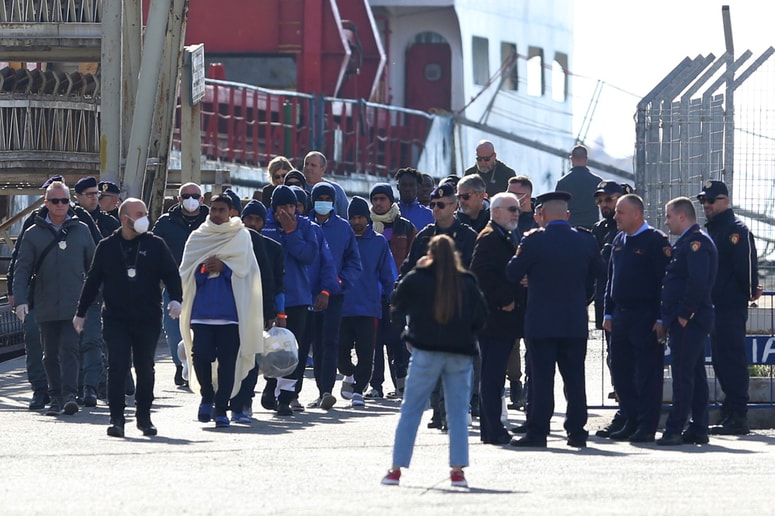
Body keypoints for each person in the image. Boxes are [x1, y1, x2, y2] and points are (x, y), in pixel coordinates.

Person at [382, 235, 487, 488]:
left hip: (425, 352)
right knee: (458, 413)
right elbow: (481, 317)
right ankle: (458, 471)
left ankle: (396, 469)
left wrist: (410, 331)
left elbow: (396, 306)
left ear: (429, 253)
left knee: (411, 410)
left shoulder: (417, 279)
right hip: (460, 354)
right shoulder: (466, 281)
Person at [73, 198, 182, 437]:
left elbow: (172, 274)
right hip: (116, 318)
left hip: (147, 317)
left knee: (145, 368)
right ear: (125, 218)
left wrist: (176, 298)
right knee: (118, 367)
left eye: (145, 212)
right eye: (139, 213)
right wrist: (81, 313)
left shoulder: (156, 245)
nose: (144, 217)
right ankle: (117, 419)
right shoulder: (107, 246)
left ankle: (144, 417)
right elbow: (92, 281)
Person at [506, 191, 603, 448]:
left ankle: (538, 432)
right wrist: (583, 295)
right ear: (567, 215)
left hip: (542, 322)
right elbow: (600, 272)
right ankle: (577, 432)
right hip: (574, 321)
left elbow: (512, 272)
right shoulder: (584, 240)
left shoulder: (534, 241)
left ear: (541, 215)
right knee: (575, 379)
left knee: (542, 379)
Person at [178, 194, 264, 428]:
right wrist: (204, 270)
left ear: (231, 212)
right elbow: (186, 272)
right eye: (213, 209)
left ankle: (220, 408)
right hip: (202, 313)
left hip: (231, 315)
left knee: (229, 364)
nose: (216, 214)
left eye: (221, 210)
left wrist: (225, 268)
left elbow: (247, 272)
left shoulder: (241, 237)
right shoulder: (198, 237)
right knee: (201, 356)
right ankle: (207, 395)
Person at [13, 180, 96, 417]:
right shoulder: (33, 233)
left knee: (70, 349)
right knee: (49, 353)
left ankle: (69, 396)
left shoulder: (81, 230)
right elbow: (22, 269)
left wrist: (99, 296)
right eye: (55, 201)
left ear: (70, 202)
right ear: (46, 203)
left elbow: (94, 266)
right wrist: (20, 300)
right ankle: (55, 396)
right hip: (45, 303)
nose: (60, 205)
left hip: (74, 303)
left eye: (64, 201)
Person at [601, 194, 672, 443]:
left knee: (646, 374)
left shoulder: (655, 241)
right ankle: (630, 420)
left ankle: (646, 425)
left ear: (636, 214)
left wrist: (662, 318)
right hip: (620, 315)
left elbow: (665, 283)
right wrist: (607, 312)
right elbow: (611, 279)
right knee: (621, 372)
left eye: (621, 212)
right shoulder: (619, 240)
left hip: (645, 316)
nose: (616, 216)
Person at [698, 181, 761, 435]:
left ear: (725, 201)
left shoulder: (736, 230)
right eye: (703, 201)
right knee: (722, 360)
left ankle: (738, 415)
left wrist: (747, 293)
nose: (706, 206)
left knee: (732, 359)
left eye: (711, 201)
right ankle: (730, 410)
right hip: (714, 305)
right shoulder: (712, 231)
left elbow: (745, 269)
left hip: (730, 306)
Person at [657, 197, 718, 446]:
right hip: (688, 320)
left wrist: (684, 314)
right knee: (694, 375)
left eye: (669, 216)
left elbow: (697, 282)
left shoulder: (695, 243)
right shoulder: (687, 242)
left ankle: (675, 428)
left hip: (690, 321)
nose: (666, 221)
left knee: (683, 376)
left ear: (682, 216)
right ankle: (699, 427)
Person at [470, 192, 523, 445]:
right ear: (496, 211)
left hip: (501, 320)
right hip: (494, 318)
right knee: (491, 377)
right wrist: (505, 299)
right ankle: (492, 430)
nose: (516, 213)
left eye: (517, 209)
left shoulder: (503, 236)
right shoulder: (490, 237)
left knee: (493, 375)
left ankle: (492, 429)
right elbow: (480, 274)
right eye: (511, 209)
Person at [260, 185, 319, 415]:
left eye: (291, 206)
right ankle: (270, 384)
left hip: (298, 297)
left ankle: (286, 397)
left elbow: (308, 256)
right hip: (270, 297)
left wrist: (291, 232)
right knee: (269, 347)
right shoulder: (265, 226)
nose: (287, 210)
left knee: (294, 350)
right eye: (282, 206)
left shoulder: (305, 227)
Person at [304, 182, 362, 409]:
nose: (324, 203)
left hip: (334, 296)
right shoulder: (304, 225)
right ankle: (306, 392)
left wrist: (338, 283)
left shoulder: (343, 228)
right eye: (320, 198)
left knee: (329, 342)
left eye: (328, 199)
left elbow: (354, 263)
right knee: (312, 344)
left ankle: (326, 389)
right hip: (307, 295)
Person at [339, 197, 396, 407]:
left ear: (367, 218)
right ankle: (348, 374)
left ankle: (358, 391)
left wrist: (392, 299)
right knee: (341, 353)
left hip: (369, 307)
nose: (357, 221)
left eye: (361, 217)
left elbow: (388, 274)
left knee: (366, 352)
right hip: (342, 307)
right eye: (353, 217)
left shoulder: (379, 242)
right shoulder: (343, 240)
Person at [151, 182, 209, 387]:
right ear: (178, 199)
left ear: (202, 199)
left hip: (206, 282)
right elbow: (153, 248)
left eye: (195, 195)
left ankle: (200, 366)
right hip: (175, 282)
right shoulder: (166, 222)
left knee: (202, 326)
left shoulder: (211, 221)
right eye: (186, 195)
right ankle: (180, 365)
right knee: (173, 326)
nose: (190, 199)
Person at [367, 182, 416, 399]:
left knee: (397, 341)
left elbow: (414, 259)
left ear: (390, 201)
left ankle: (402, 385)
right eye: (375, 199)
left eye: (382, 199)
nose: (378, 203)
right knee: (374, 342)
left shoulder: (405, 227)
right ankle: (375, 385)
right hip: (370, 294)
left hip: (397, 293)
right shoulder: (364, 225)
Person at [590, 180, 626, 434]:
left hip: (626, 306)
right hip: (605, 303)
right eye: (601, 201)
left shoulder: (627, 229)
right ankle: (623, 409)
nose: (604, 205)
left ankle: (628, 411)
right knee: (613, 357)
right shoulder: (599, 229)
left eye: (609, 200)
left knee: (625, 358)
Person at [505, 175, 538, 413]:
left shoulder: (537, 220)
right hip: (512, 288)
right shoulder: (506, 221)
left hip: (534, 291)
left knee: (534, 342)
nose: (511, 198)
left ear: (526, 195)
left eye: (515, 194)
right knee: (511, 343)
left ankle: (529, 386)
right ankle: (515, 384)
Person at [400, 182, 478, 276]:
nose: (436, 209)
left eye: (441, 205)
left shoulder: (469, 237)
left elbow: (476, 274)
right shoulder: (424, 236)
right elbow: (408, 270)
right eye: (433, 205)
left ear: (454, 206)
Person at [555, 144, 603, 229]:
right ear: (586, 159)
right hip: (592, 227)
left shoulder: (563, 182)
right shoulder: (597, 181)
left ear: (571, 159)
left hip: (570, 227)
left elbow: (558, 208)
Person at [302, 151, 349, 216]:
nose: (308, 167)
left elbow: (346, 216)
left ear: (323, 169)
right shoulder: (298, 187)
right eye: (306, 164)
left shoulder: (336, 189)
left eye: (313, 165)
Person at [394, 167, 434, 232]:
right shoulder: (390, 213)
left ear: (418, 186)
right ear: (398, 187)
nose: (407, 189)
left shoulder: (430, 215)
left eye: (411, 185)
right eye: (404, 185)